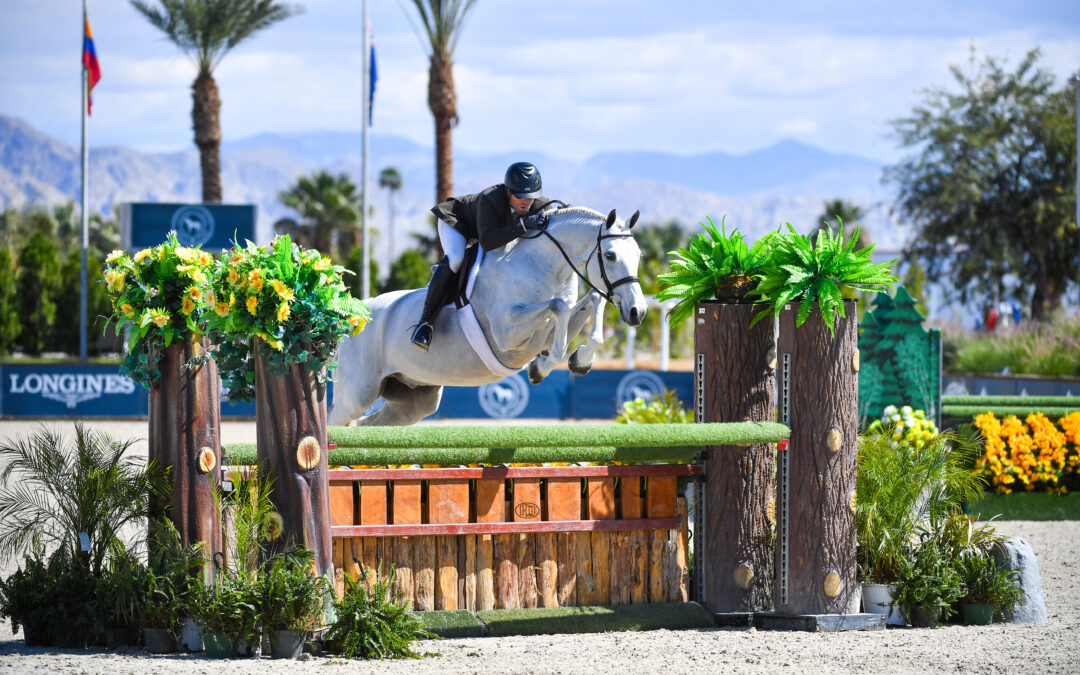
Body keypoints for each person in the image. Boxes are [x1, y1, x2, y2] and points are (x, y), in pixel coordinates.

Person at [410, 161, 554, 350]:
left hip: (486, 232)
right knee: (456, 259)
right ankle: (425, 323)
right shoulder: (490, 199)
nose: (526, 202)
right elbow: (487, 241)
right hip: (458, 224)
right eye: (520, 196)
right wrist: (524, 225)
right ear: (509, 192)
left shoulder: (539, 204)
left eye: (531, 197)